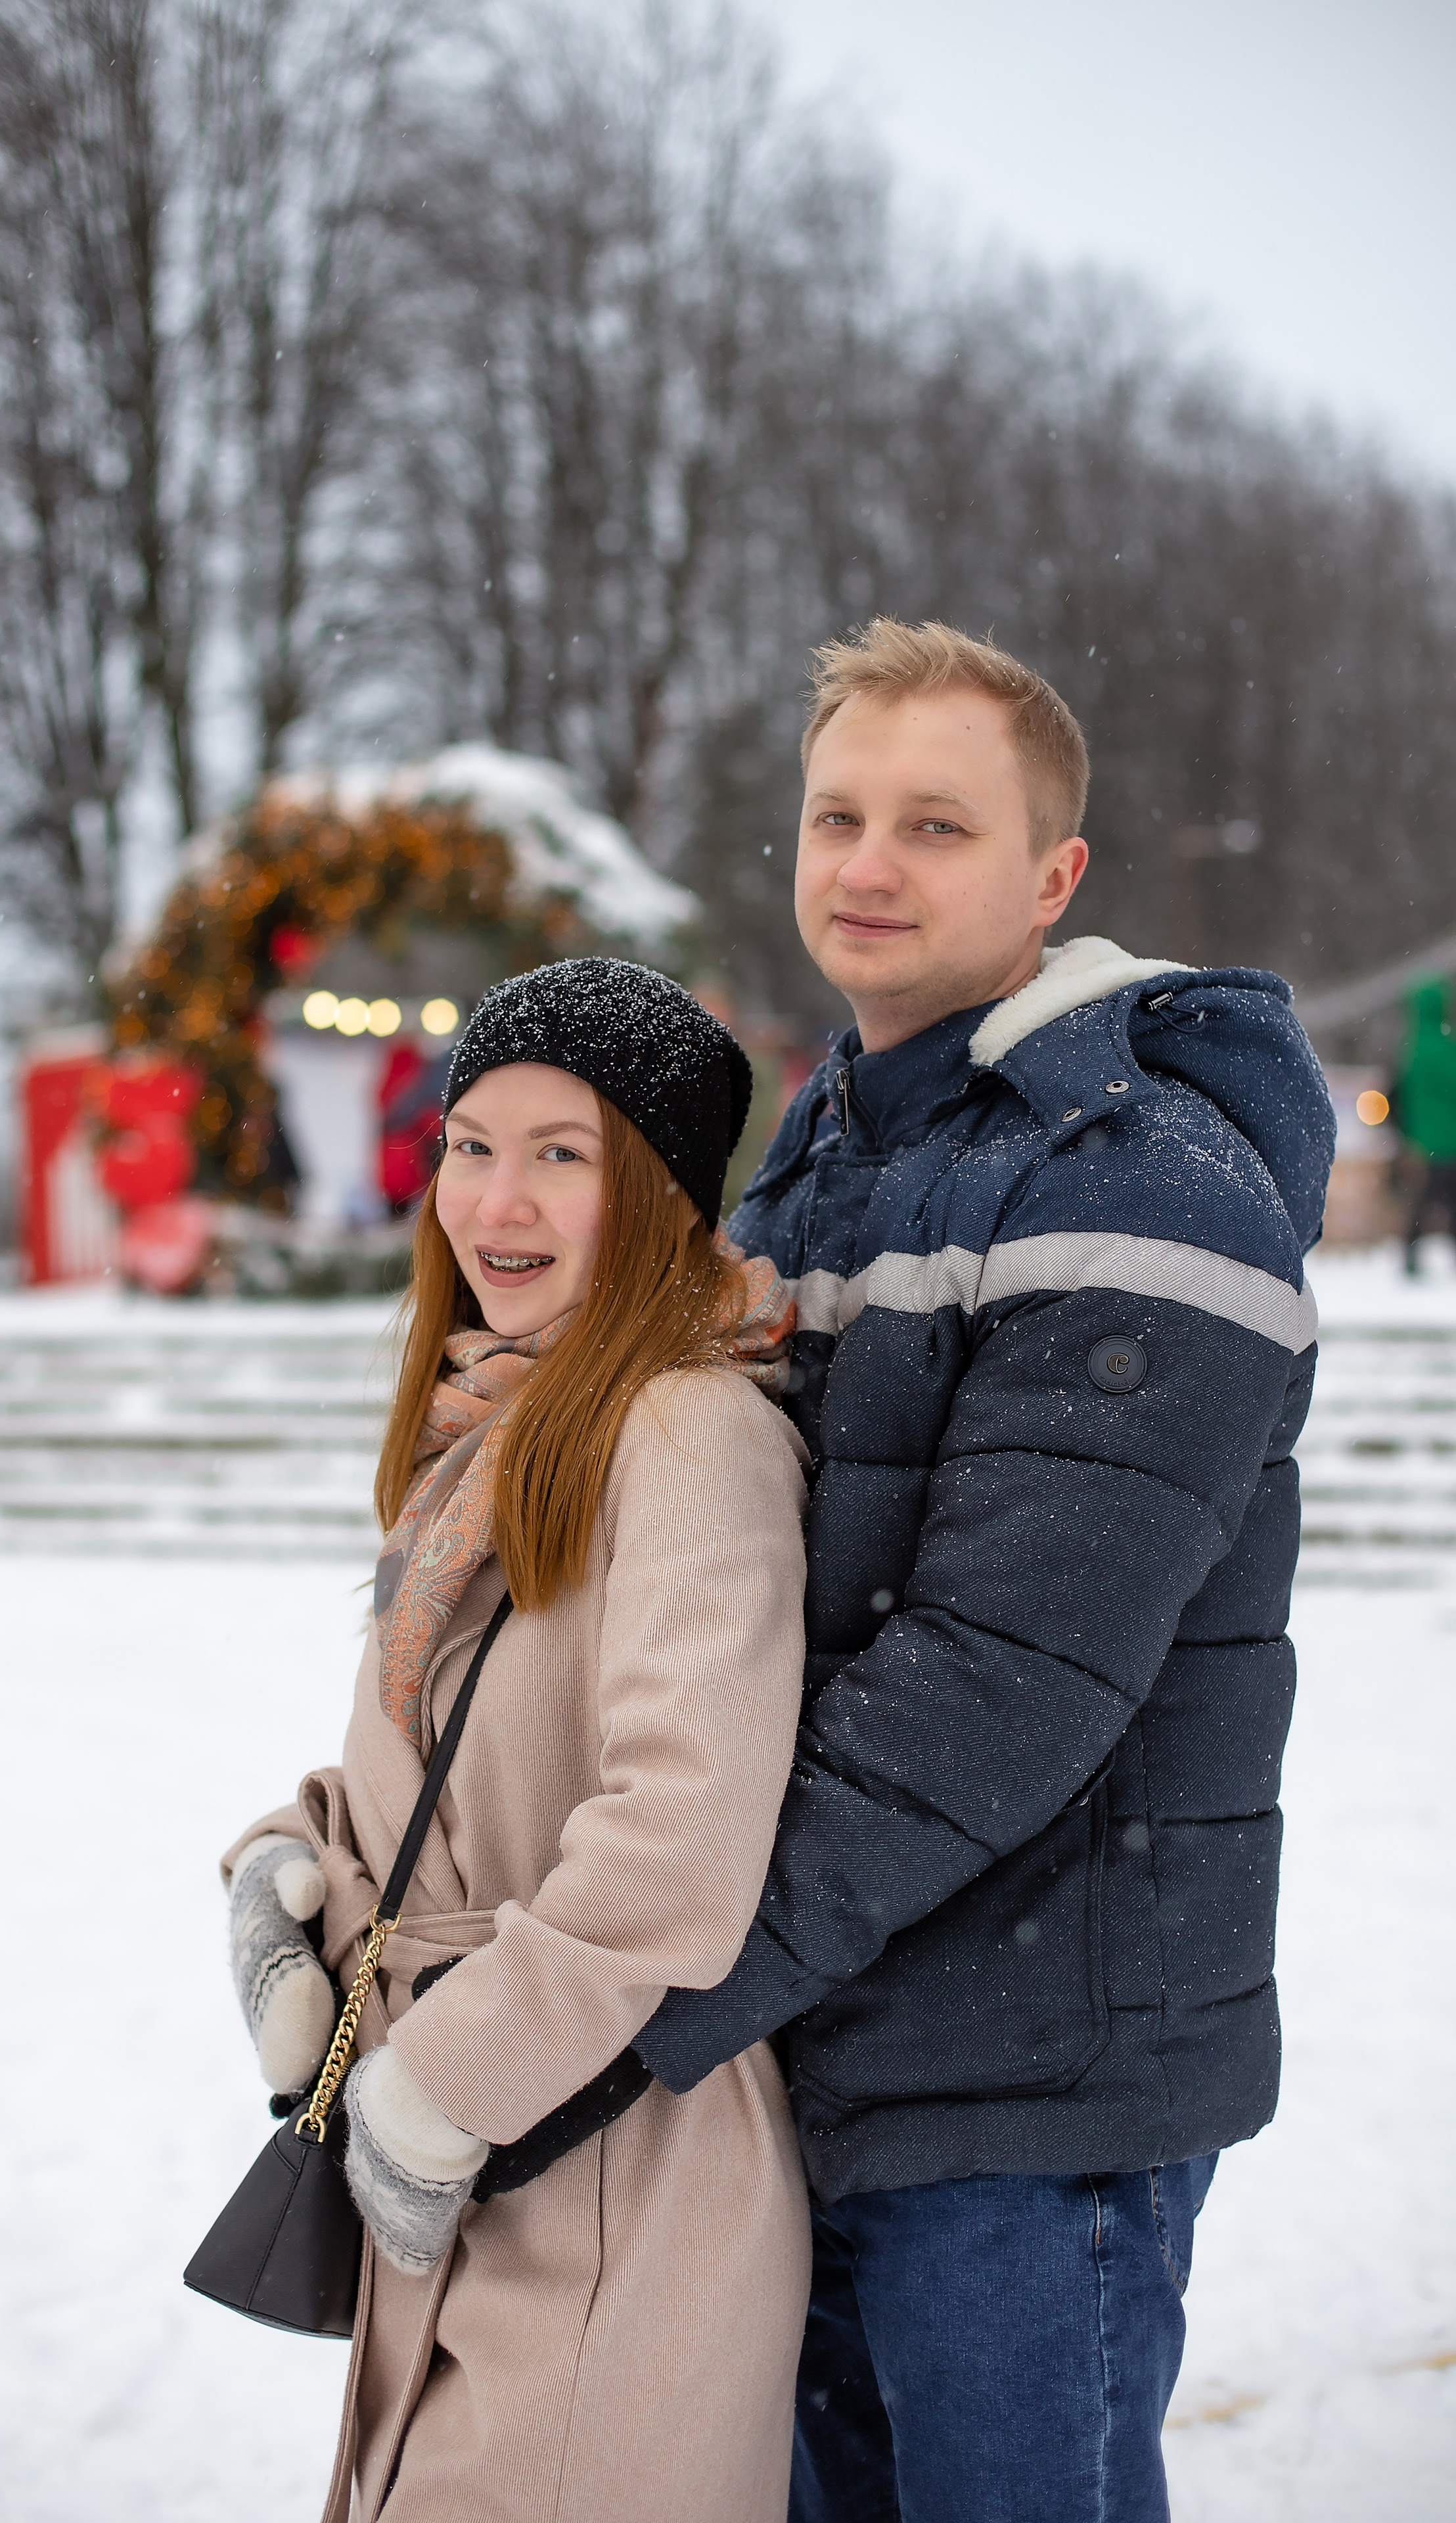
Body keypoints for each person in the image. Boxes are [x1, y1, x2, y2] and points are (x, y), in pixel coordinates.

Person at [633, 620, 1336, 2522]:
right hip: (835, 2034)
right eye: (835, 815)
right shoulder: (815, 1165)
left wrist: (658, 1996)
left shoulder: (1142, 1180)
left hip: (1035, 2076)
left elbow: (996, 1684)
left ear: (1053, 876)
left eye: (935, 825)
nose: (865, 864)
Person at [221, 960, 813, 2523]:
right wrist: (289, 1855)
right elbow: (447, 1757)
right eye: (471, 1142)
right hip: (479, 2124)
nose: (497, 1195)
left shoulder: (686, 1426)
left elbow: (683, 1832)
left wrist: (443, 2088)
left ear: (666, 1193)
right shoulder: (492, 1423)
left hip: (600, 2152)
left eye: (566, 1151)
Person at [1393, 976, 1456, 1273]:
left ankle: (1410, 1254)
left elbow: (1401, 1096)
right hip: (1451, 1140)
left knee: (1424, 1200)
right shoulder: (1447, 1047)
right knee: (1451, 1200)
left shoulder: (1411, 1049)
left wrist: (1407, 1135)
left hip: (1423, 1142)